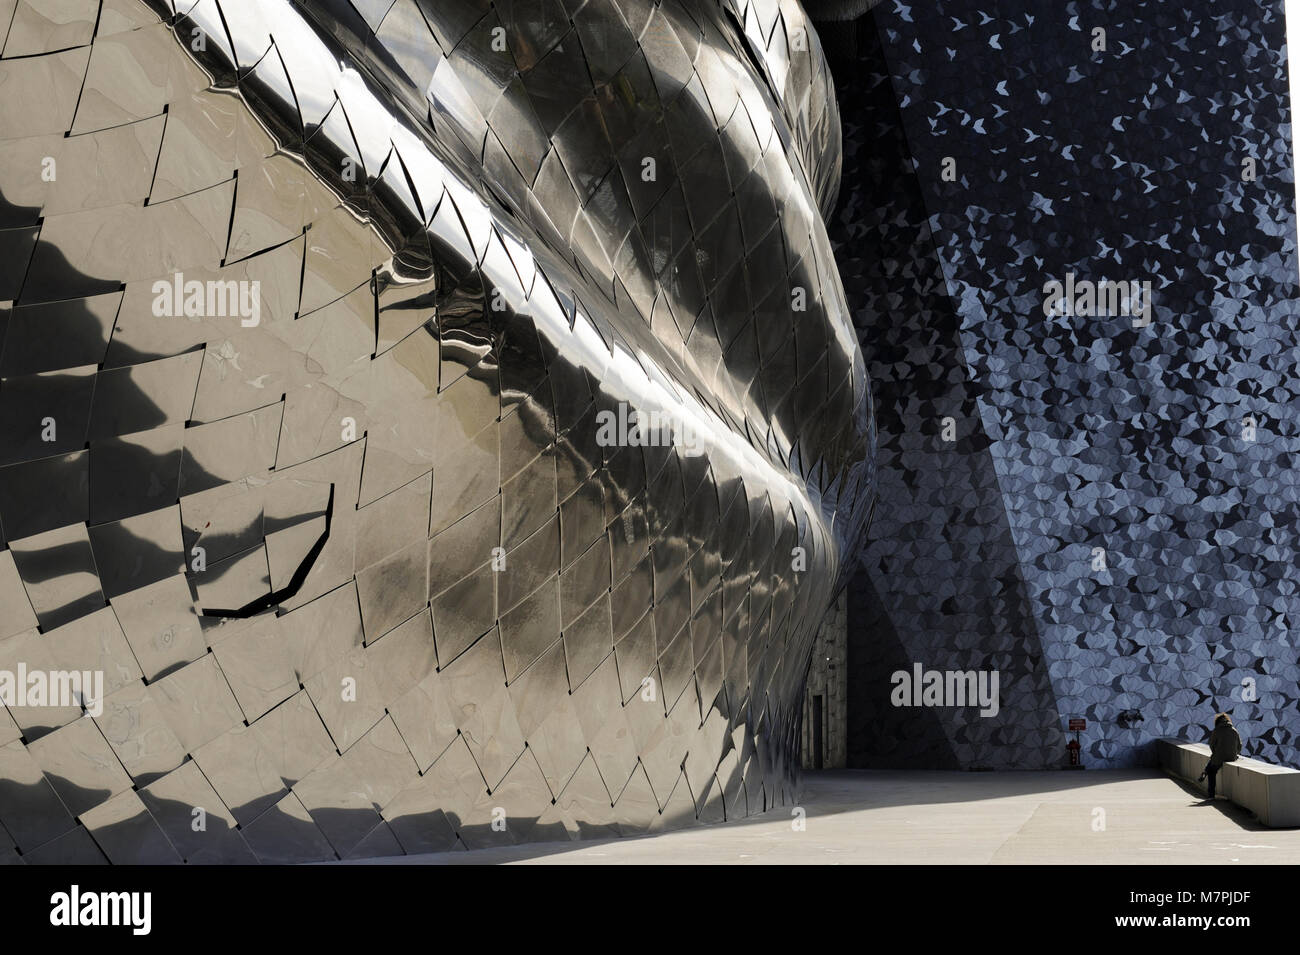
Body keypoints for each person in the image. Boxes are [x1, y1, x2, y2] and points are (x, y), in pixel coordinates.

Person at [1196, 713, 1242, 798]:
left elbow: (1211, 744)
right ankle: (1205, 771)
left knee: (1211, 772)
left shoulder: (1217, 730)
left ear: (1217, 722)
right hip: (1231, 757)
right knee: (1213, 761)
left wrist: (1215, 752)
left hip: (1219, 757)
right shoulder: (1234, 730)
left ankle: (1211, 795)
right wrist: (1235, 754)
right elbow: (1239, 745)